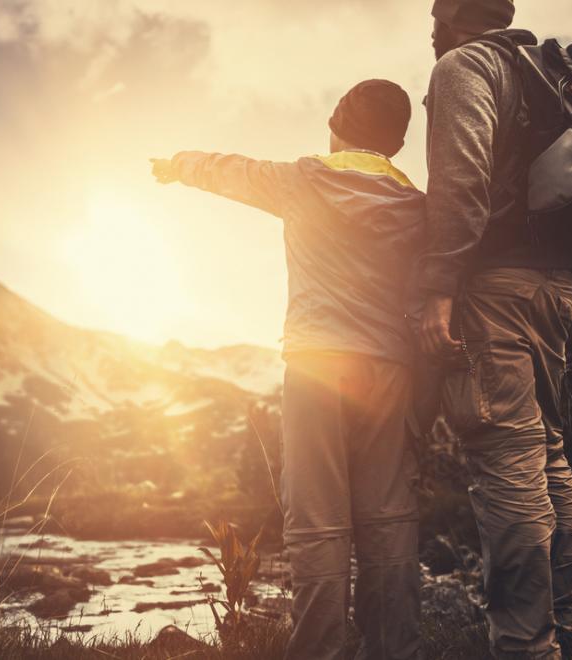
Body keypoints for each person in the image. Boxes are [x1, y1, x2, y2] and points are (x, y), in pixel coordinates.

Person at [151, 79, 424, 660]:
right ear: (396, 144)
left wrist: (179, 164)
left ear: (336, 126)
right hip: (390, 371)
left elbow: (232, 170)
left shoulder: (304, 180)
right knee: (388, 517)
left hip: (319, 366)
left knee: (319, 523)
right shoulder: (416, 205)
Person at [418, 1, 572, 658]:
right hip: (556, 284)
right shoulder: (547, 69)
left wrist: (438, 289)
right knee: (549, 456)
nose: (430, 26)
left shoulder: (467, 65)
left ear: (456, 17)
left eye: (436, 14)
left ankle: (526, 648)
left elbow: (460, 182)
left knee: (506, 461)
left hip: (493, 286)